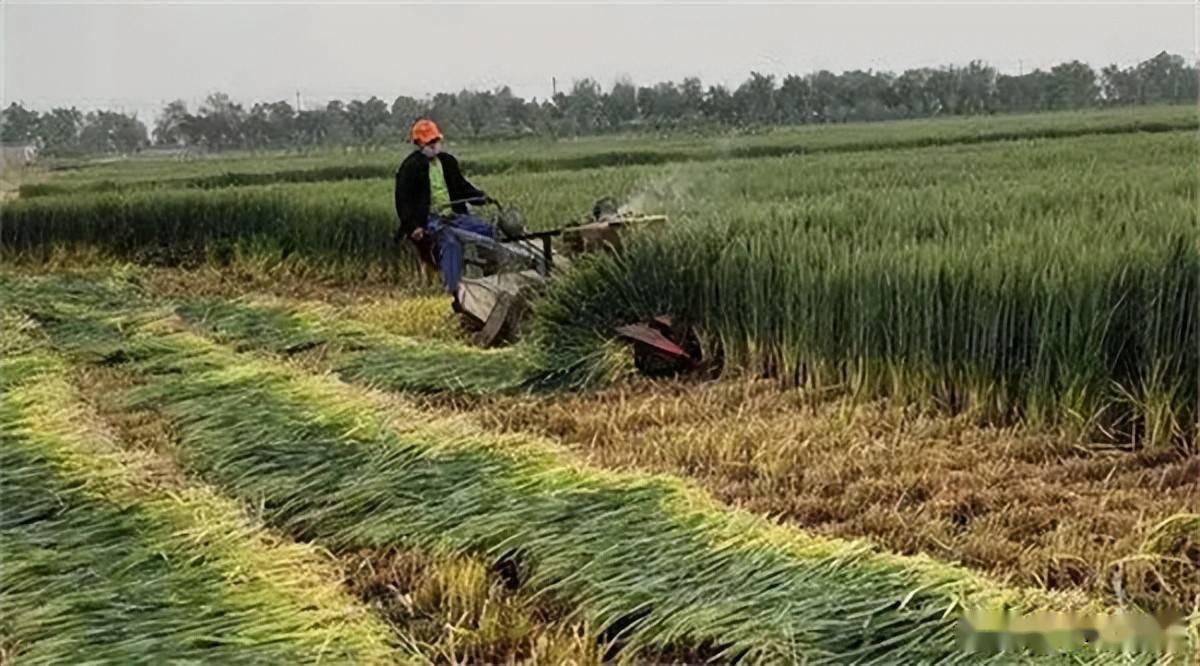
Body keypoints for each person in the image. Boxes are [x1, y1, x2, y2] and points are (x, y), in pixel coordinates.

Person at [394, 119, 496, 304]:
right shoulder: (410, 168)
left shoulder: (448, 162)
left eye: (435, 142)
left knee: (489, 231)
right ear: (419, 144)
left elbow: (462, 186)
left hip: (453, 214)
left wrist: (480, 197)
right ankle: (454, 293)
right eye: (429, 143)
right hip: (429, 219)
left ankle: (494, 277)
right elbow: (403, 201)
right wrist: (413, 227)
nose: (433, 146)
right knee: (450, 243)